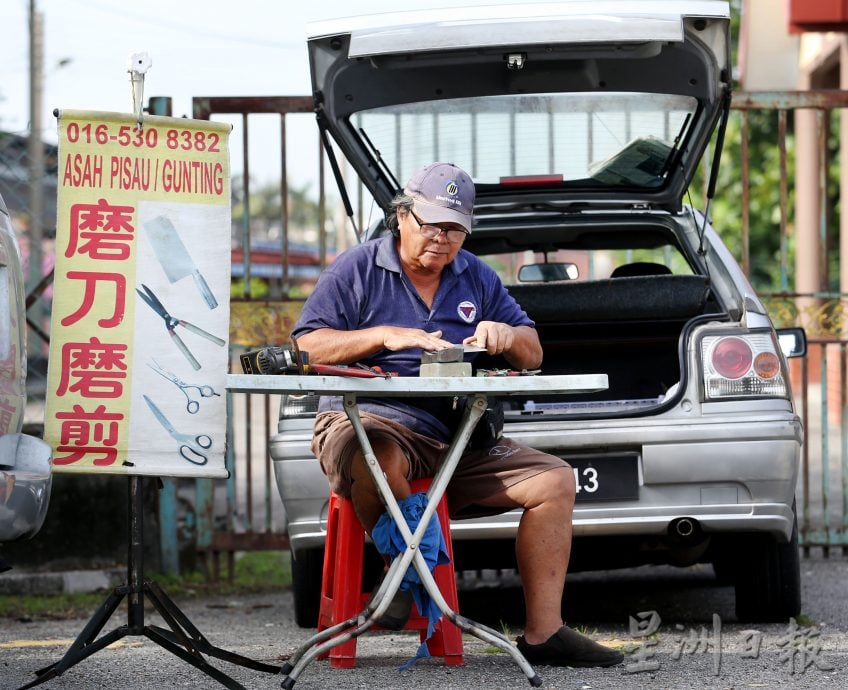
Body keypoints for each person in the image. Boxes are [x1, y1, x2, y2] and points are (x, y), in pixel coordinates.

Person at [292, 162, 623, 668]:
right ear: (401, 216)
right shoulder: (355, 269)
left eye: (456, 228)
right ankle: (401, 574)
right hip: (366, 423)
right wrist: (383, 336)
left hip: (454, 436)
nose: (443, 239)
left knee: (554, 481)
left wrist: (507, 336)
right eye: (432, 224)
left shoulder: (476, 276)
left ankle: (543, 632)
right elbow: (307, 343)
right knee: (376, 455)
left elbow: (533, 352)